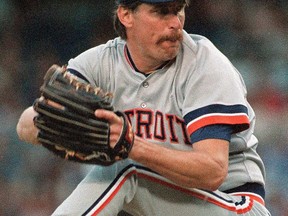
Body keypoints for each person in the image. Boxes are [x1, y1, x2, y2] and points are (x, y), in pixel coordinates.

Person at [16, 0, 271, 215]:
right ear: (126, 14)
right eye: (161, 12)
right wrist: (67, 126)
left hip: (233, 203)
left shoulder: (204, 64)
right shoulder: (101, 63)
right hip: (161, 203)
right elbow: (26, 125)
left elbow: (213, 171)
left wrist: (131, 144)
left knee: (125, 169)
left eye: (178, 9)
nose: (175, 22)